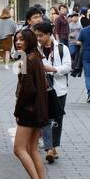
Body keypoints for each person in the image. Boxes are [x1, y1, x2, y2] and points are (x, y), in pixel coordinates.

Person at [12, 31, 50, 179]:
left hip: (28, 110)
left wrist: (17, 110)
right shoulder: (36, 57)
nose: (18, 42)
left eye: (22, 39)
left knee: (19, 149)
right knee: (32, 148)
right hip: (40, 109)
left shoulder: (27, 60)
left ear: (29, 41)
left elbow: (27, 89)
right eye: (16, 40)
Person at [34, 20, 69, 163]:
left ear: (49, 34)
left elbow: (68, 67)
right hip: (42, 90)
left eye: (41, 35)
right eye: (36, 36)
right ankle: (49, 148)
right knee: (45, 119)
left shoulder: (62, 48)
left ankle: (54, 146)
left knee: (57, 119)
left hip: (59, 89)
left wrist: (53, 69)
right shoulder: (35, 49)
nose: (38, 38)